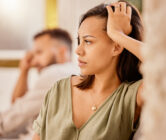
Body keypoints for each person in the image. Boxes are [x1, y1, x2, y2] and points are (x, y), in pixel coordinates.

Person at [32, 1, 144, 140]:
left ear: (116, 47)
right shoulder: (59, 90)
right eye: (79, 41)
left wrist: (118, 35)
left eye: (88, 41)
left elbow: (161, 67)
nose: (78, 50)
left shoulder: (132, 97)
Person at [0, 28, 79, 139]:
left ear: (62, 52)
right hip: (32, 131)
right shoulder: (72, 71)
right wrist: (24, 70)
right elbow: (19, 105)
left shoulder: (54, 74)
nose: (34, 61)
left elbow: (12, 117)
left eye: (39, 53)